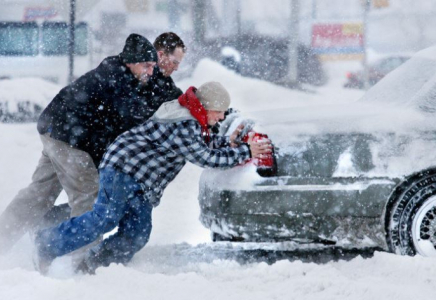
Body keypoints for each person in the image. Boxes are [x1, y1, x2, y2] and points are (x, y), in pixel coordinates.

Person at [34, 82, 272, 274]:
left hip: (142, 181)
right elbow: (205, 157)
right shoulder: (184, 122)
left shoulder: (193, 117)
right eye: (219, 112)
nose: (221, 118)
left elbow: (203, 143)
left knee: (137, 232)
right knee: (104, 218)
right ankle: (45, 244)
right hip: (122, 168)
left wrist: (231, 144)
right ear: (208, 107)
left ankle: (96, 266)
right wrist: (247, 151)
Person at [0, 33, 184, 254]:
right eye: (172, 62)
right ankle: (80, 260)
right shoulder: (119, 79)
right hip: (70, 140)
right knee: (91, 199)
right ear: (134, 61)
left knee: (40, 194)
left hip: (56, 130)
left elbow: (164, 97)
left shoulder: (132, 73)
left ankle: (13, 235)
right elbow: (133, 116)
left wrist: (193, 106)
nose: (152, 71)